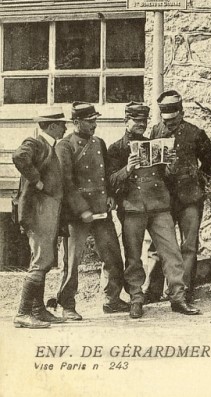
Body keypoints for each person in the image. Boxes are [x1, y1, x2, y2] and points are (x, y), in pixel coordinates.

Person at [107, 102, 200, 319]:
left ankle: (178, 298)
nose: (141, 125)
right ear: (126, 121)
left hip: (159, 206)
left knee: (172, 253)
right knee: (133, 257)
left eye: (144, 121)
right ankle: (136, 299)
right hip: (132, 208)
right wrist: (127, 168)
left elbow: (166, 176)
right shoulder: (117, 149)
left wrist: (171, 166)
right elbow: (110, 182)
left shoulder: (154, 145)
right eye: (136, 121)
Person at [53, 102, 129, 320]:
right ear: (76, 122)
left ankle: (112, 300)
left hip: (101, 210)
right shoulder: (64, 146)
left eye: (95, 120)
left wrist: (110, 196)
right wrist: (82, 210)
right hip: (77, 214)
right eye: (90, 121)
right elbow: (66, 183)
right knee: (72, 262)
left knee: (113, 256)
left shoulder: (99, 143)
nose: (94, 125)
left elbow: (106, 175)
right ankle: (67, 305)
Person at [144, 90, 211, 304]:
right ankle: (153, 290)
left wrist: (198, 180)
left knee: (188, 245)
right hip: (163, 200)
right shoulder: (156, 131)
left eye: (173, 120)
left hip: (190, 199)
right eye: (166, 120)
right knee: (158, 245)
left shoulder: (195, 133)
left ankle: (183, 290)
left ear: (182, 113)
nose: (169, 125)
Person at [11, 107, 68, 328]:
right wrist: (37, 181)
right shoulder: (36, 143)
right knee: (41, 261)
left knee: (44, 259)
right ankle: (23, 313)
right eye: (62, 124)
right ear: (52, 126)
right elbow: (19, 156)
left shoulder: (48, 146)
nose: (65, 128)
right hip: (38, 212)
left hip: (48, 211)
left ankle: (38, 310)